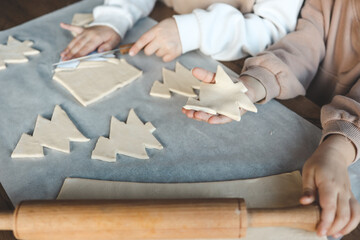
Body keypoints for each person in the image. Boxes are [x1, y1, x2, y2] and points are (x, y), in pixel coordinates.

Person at [183, 0, 360, 238]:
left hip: (348, 150)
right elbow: (305, 43)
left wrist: (338, 150)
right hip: (307, 120)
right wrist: (255, 84)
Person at [60, 0, 303, 62]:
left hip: (239, 69)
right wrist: (114, 17)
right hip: (164, 31)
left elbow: (272, 31)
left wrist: (194, 30)